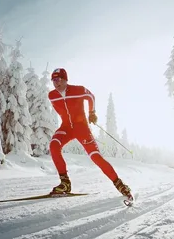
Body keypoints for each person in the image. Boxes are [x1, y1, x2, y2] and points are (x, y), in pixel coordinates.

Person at [48, 68, 133, 200]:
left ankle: (120, 184)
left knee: (95, 157)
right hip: (66, 128)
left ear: (65, 79)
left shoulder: (78, 90)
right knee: (54, 145)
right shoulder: (52, 95)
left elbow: (90, 96)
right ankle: (65, 183)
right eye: (53, 80)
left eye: (58, 79)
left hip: (82, 128)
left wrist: (91, 113)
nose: (56, 83)